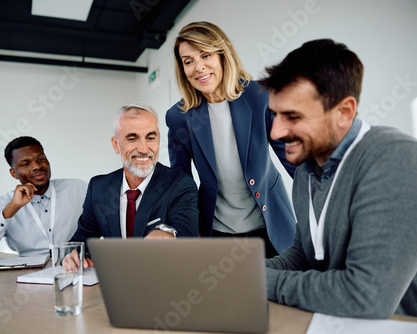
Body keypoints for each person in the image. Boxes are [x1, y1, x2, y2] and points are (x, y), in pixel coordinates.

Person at [259, 39, 417, 318]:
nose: (276, 132)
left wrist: (262, 282)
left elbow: (364, 296)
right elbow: (304, 253)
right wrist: (243, 275)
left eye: (292, 116)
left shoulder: (394, 158)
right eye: (275, 115)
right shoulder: (305, 171)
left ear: (344, 112)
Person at [166, 21, 296, 257]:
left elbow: (292, 159)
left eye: (205, 55)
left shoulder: (259, 97)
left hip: (271, 223)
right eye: (188, 61)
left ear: (222, 55)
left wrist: (327, 201)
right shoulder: (179, 117)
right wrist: (186, 231)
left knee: (278, 292)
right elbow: (182, 182)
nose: (199, 68)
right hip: (218, 232)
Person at [65, 103, 199, 270]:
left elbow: (187, 240)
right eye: (132, 138)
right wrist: (73, 255)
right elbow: (80, 242)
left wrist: (168, 234)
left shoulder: (180, 184)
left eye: (150, 138)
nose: (143, 149)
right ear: (116, 145)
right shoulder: (98, 188)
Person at [0, 136, 87, 268]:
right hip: (28, 278)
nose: (37, 166)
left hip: (75, 270)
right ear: (13, 173)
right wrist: (13, 208)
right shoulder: (3, 205)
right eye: (26, 164)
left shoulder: (79, 189)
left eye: (41, 159)